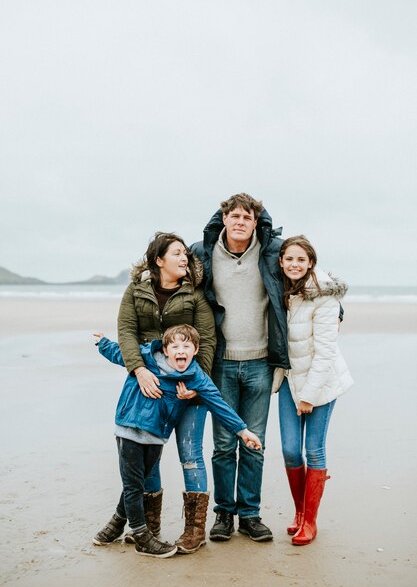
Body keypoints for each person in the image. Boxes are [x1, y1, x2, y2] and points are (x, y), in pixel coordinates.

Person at [93, 324, 262, 557]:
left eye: (186, 346)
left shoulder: (196, 377)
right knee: (134, 485)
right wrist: (103, 343)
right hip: (129, 430)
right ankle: (142, 536)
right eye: (175, 346)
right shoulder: (146, 358)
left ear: (196, 349)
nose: (180, 350)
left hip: (156, 437)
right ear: (165, 349)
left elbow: (218, 404)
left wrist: (243, 431)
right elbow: (119, 353)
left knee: (138, 481)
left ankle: (115, 524)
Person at [99, 232, 217, 554]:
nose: (185, 258)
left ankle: (194, 531)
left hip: (189, 389)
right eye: (177, 253)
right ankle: (148, 528)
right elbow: (126, 332)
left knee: (191, 453)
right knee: (148, 456)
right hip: (149, 387)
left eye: (186, 254)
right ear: (158, 259)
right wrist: (139, 370)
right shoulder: (136, 291)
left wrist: (196, 384)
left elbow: (206, 338)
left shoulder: (194, 294)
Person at [191, 193, 290, 542]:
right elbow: (172, 281)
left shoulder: (272, 250)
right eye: (234, 216)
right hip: (221, 364)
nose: (240, 222)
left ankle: (249, 514)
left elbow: (305, 274)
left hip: (261, 362)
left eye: (247, 217)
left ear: (255, 221)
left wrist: (335, 308)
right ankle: (223, 514)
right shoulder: (201, 252)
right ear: (224, 218)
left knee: (255, 442)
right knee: (222, 444)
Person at [274, 235, 353, 545]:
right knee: (290, 449)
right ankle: (298, 511)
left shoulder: (324, 297)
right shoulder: (280, 291)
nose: (295, 264)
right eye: (289, 259)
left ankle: (310, 521)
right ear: (281, 262)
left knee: (313, 450)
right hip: (289, 381)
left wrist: (309, 395)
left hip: (321, 382)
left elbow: (326, 352)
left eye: (301, 260)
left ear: (311, 264)